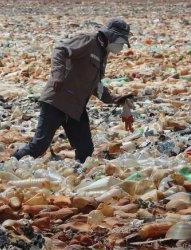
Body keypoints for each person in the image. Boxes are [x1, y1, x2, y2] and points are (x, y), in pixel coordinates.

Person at [13, 18, 134, 163]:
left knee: (85, 149)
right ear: (111, 36)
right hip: (57, 101)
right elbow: (60, 50)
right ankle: (10, 163)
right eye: (120, 42)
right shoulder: (88, 40)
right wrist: (58, 75)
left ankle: (79, 174)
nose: (121, 47)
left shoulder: (103, 53)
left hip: (76, 107)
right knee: (39, 146)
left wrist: (114, 99)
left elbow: (95, 84)